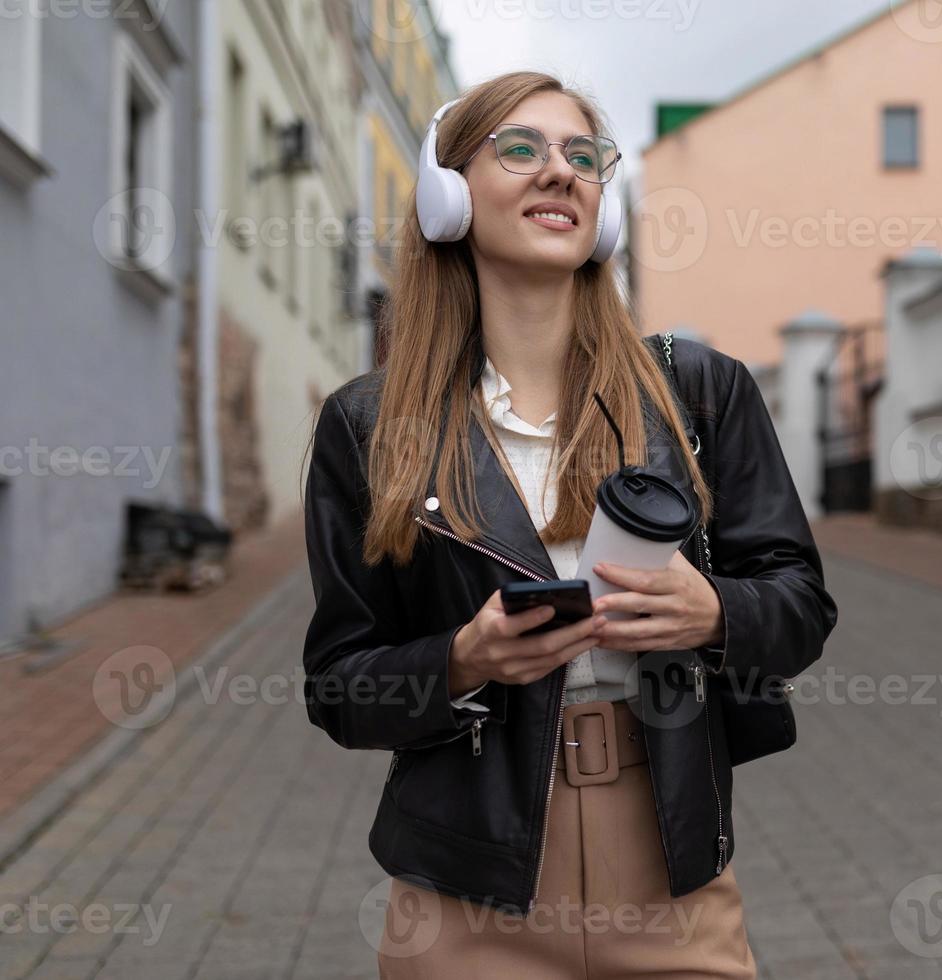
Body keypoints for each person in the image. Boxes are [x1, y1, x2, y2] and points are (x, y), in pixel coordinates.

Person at [299, 70, 839, 978]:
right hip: (466, 886)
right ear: (446, 195)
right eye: (520, 149)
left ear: (605, 204)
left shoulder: (698, 394)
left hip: (673, 876)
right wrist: (461, 660)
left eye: (582, 155)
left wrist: (713, 614)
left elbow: (802, 607)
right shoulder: (369, 424)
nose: (560, 172)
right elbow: (338, 686)